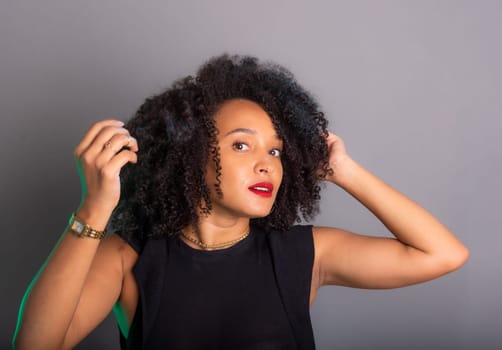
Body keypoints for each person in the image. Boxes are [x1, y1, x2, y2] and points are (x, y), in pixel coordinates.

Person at [13, 54, 469, 350]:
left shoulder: (303, 254)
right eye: (241, 145)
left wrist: (343, 171)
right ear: (189, 156)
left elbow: (444, 254)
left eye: (275, 150)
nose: (267, 163)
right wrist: (93, 209)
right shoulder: (129, 255)